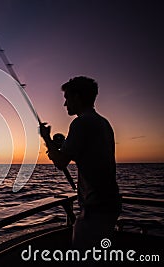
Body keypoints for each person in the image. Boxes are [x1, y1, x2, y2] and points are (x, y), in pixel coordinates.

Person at [39, 76, 121, 250]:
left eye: (67, 98)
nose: (65, 104)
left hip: (95, 207)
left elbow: (61, 162)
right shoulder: (102, 123)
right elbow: (90, 156)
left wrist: (46, 137)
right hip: (110, 203)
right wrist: (60, 146)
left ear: (77, 97)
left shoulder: (81, 123)